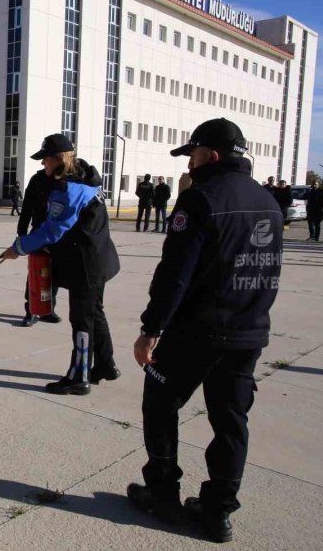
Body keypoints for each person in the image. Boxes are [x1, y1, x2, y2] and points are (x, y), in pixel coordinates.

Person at [128, 118, 283, 543]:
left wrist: (150, 329)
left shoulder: (200, 200)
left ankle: (162, 494)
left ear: (211, 156)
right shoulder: (269, 201)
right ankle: (218, 512)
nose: (189, 163)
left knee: (160, 404)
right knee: (230, 422)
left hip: (197, 332)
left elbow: (175, 274)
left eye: (193, 154)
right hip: (247, 333)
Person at [1, 134, 120, 395]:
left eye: (45, 159)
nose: (42, 163)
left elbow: (53, 231)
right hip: (98, 259)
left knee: (81, 320)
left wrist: (18, 248)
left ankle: (79, 376)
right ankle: (106, 365)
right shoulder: (86, 178)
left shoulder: (69, 189)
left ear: (57, 159)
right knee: (94, 313)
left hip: (85, 265)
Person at [18, 165, 62, 327]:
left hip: (58, 236)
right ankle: (31, 311)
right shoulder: (37, 180)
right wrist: (22, 233)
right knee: (36, 273)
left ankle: (48, 310)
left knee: (54, 276)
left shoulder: (67, 179)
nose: (45, 164)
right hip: (38, 233)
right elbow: (27, 207)